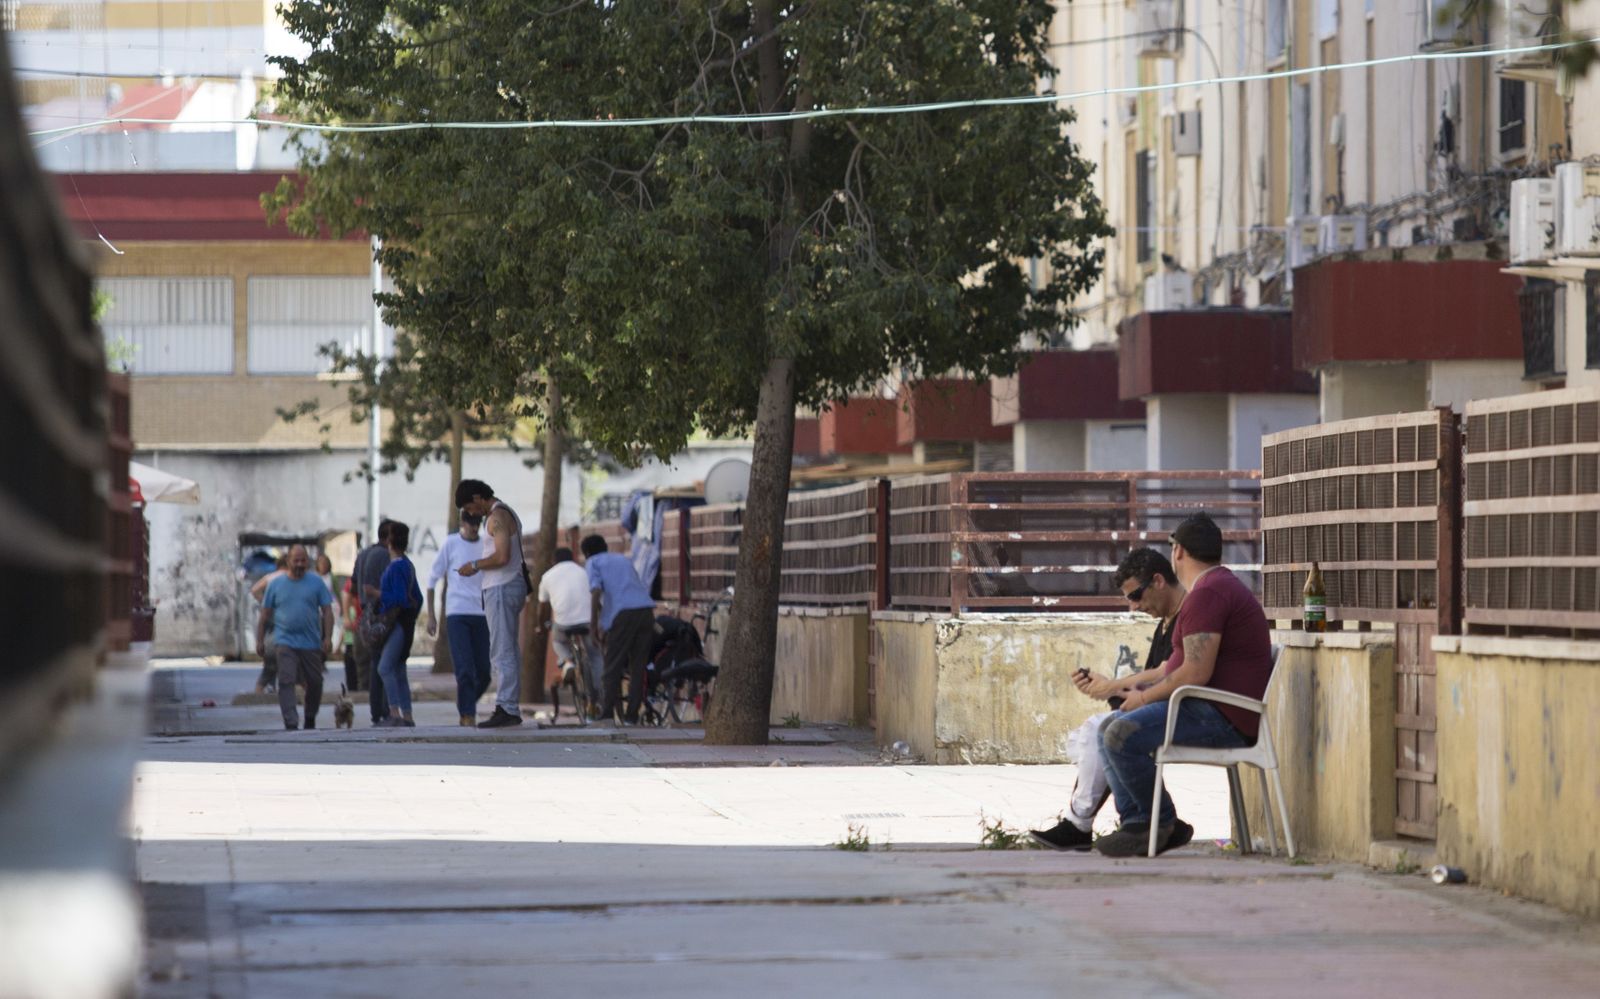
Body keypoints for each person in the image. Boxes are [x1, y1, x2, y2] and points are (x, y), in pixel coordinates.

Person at [1091, 514, 1275, 857]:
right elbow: (1171, 667)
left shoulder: (1210, 593)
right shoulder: (1210, 589)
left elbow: (1194, 673)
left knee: (1120, 734)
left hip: (1224, 718)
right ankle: (1141, 824)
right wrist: (1123, 688)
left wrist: (1144, 698)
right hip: (1213, 709)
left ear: (1178, 552)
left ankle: (1155, 822)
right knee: (1107, 730)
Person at [1029, 548, 1188, 852]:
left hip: (1189, 711)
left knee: (1103, 731)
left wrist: (1115, 686)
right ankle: (1103, 822)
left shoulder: (1188, 616)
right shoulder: (1164, 623)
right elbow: (1155, 684)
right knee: (1099, 729)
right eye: (1129, 599)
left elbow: (1172, 674)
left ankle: (1143, 820)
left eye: (1137, 596)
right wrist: (1112, 690)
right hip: (1165, 707)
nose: (1135, 606)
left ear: (1158, 581)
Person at [455, 479, 530, 728]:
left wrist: (474, 565)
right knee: (505, 649)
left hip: (501, 587)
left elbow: (502, 556)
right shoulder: (506, 512)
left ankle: (507, 707)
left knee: (502, 650)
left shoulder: (496, 517)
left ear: (478, 498)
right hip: (507, 586)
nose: (470, 514)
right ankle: (507, 705)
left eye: (469, 507)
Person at [254, 545, 334, 731]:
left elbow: (328, 611)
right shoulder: (275, 584)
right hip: (285, 641)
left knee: (315, 681)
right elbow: (265, 615)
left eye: (303, 560)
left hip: (311, 642)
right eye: (295, 560)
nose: (299, 564)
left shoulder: (316, 583)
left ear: (308, 561)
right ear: (288, 561)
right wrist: (259, 640)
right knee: (286, 680)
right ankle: (290, 720)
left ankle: (310, 716)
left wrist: (328, 637)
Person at [581, 533, 657, 725]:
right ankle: (632, 716)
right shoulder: (622, 559)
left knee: (612, 666)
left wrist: (593, 625)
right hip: (646, 611)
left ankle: (606, 713)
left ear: (587, 553)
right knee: (638, 667)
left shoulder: (593, 562)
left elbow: (596, 591)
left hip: (624, 614)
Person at [427, 511, 491, 727]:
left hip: (481, 614)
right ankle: (467, 715)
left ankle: (466, 702)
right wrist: (432, 616)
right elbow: (432, 579)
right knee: (464, 669)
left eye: (478, 523)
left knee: (484, 672)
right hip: (457, 613)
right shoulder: (451, 543)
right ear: (463, 523)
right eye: (471, 523)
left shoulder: (486, 545)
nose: (474, 527)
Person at [538, 546, 602, 708]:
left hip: (564, 623)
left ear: (554, 561)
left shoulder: (547, 576)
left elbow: (543, 609)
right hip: (588, 621)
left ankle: (568, 662)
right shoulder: (584, 571)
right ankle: (601, 693)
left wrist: (541, 626)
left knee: (558, 641)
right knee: (595, 656)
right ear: (573, 558)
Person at [374, 521, 423, 728]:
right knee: (399, 669)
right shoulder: (407, 564)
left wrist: (377, 594)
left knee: (384, 667)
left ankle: (394, 712)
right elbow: (418, 598)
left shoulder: (397, 567)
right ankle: (407, 715)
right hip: (406, 623)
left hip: (397, 624)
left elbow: (400, 598)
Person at [352, 521, 395, 726]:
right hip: (382, 613)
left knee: (375, 662)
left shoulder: (362, 555)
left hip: (365, 614)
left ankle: (376, 709)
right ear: (388, 537)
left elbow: (353, 587)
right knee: (385, 663)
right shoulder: (386, 556)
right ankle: (385, 709)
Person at [250, 553, 289, 694]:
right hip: (284, 620)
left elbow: (254, 590)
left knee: (270, 661)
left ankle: (264, 690)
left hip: (270, 619)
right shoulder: (288, 577)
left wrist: (264, 601)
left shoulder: (270, 577)